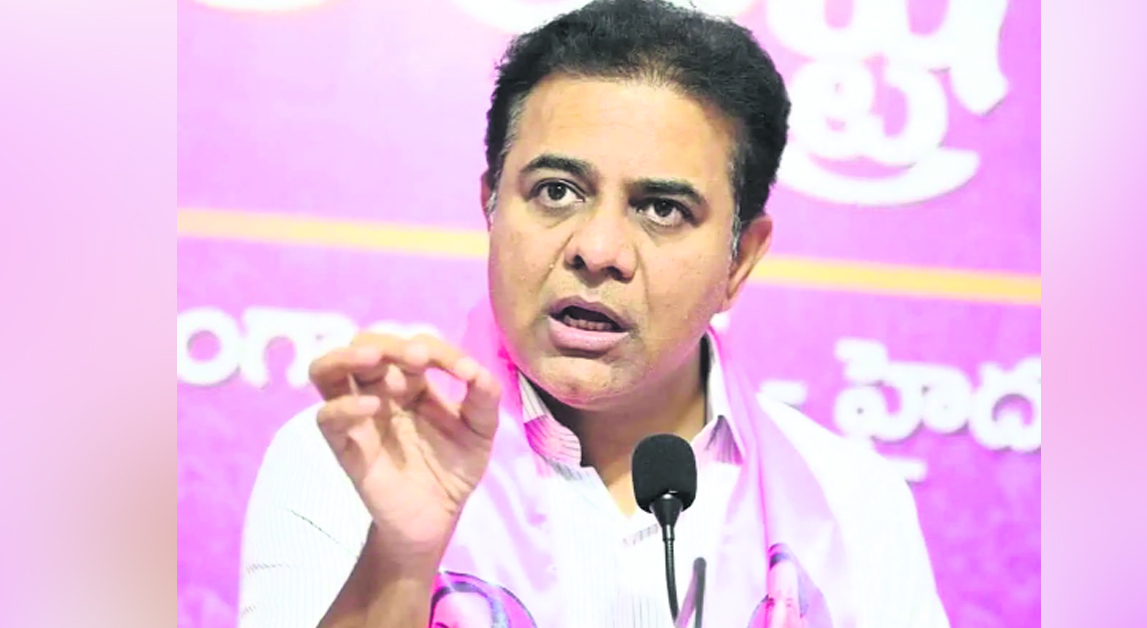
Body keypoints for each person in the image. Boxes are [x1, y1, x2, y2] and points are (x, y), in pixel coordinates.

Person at [239, 1, 950, 627]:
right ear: (491, 205)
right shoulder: (354, 461)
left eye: (662, 209)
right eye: (556, 192)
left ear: (741, 259)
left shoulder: (851, 504)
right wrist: (399, 560)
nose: (598, 249)